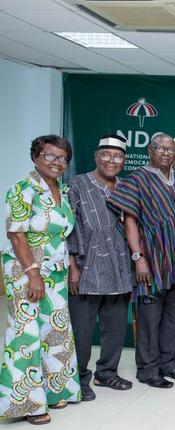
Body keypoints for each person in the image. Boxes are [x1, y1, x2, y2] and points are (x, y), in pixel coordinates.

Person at [108, 133, 175, 389]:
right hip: (152, 259)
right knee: (150, 317)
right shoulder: (137, 179)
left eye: (170, 149)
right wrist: (138, 257)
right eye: (160, 149)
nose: (166, 153)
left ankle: (167, 363)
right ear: (150, 150)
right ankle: (148, 369)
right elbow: (129, 221)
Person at [0, 135, 80, 425]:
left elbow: (62, 233)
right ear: (35, 157)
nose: (57, 162)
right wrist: (33, 273)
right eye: (50, 156)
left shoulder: (63, 190)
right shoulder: (22, 190)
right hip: (26, 271)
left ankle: (55, 389)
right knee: (27, 335)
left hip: (55, 270)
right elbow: (16, 234)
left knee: (55, 331)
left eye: (62, 158)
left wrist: (70, 265)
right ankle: (27, 405)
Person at [67, 135, 135, 402]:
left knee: (115, 326)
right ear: (96, 156)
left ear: (124, 160)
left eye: (118, 156)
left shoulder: (126, 186)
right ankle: (79, 378)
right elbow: (68, 227)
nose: (111, 160)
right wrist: (72, 265)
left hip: (119, 266)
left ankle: (106, 372)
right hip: (87, 268)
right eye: (106, 155)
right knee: (82, 331)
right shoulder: (76, 184)